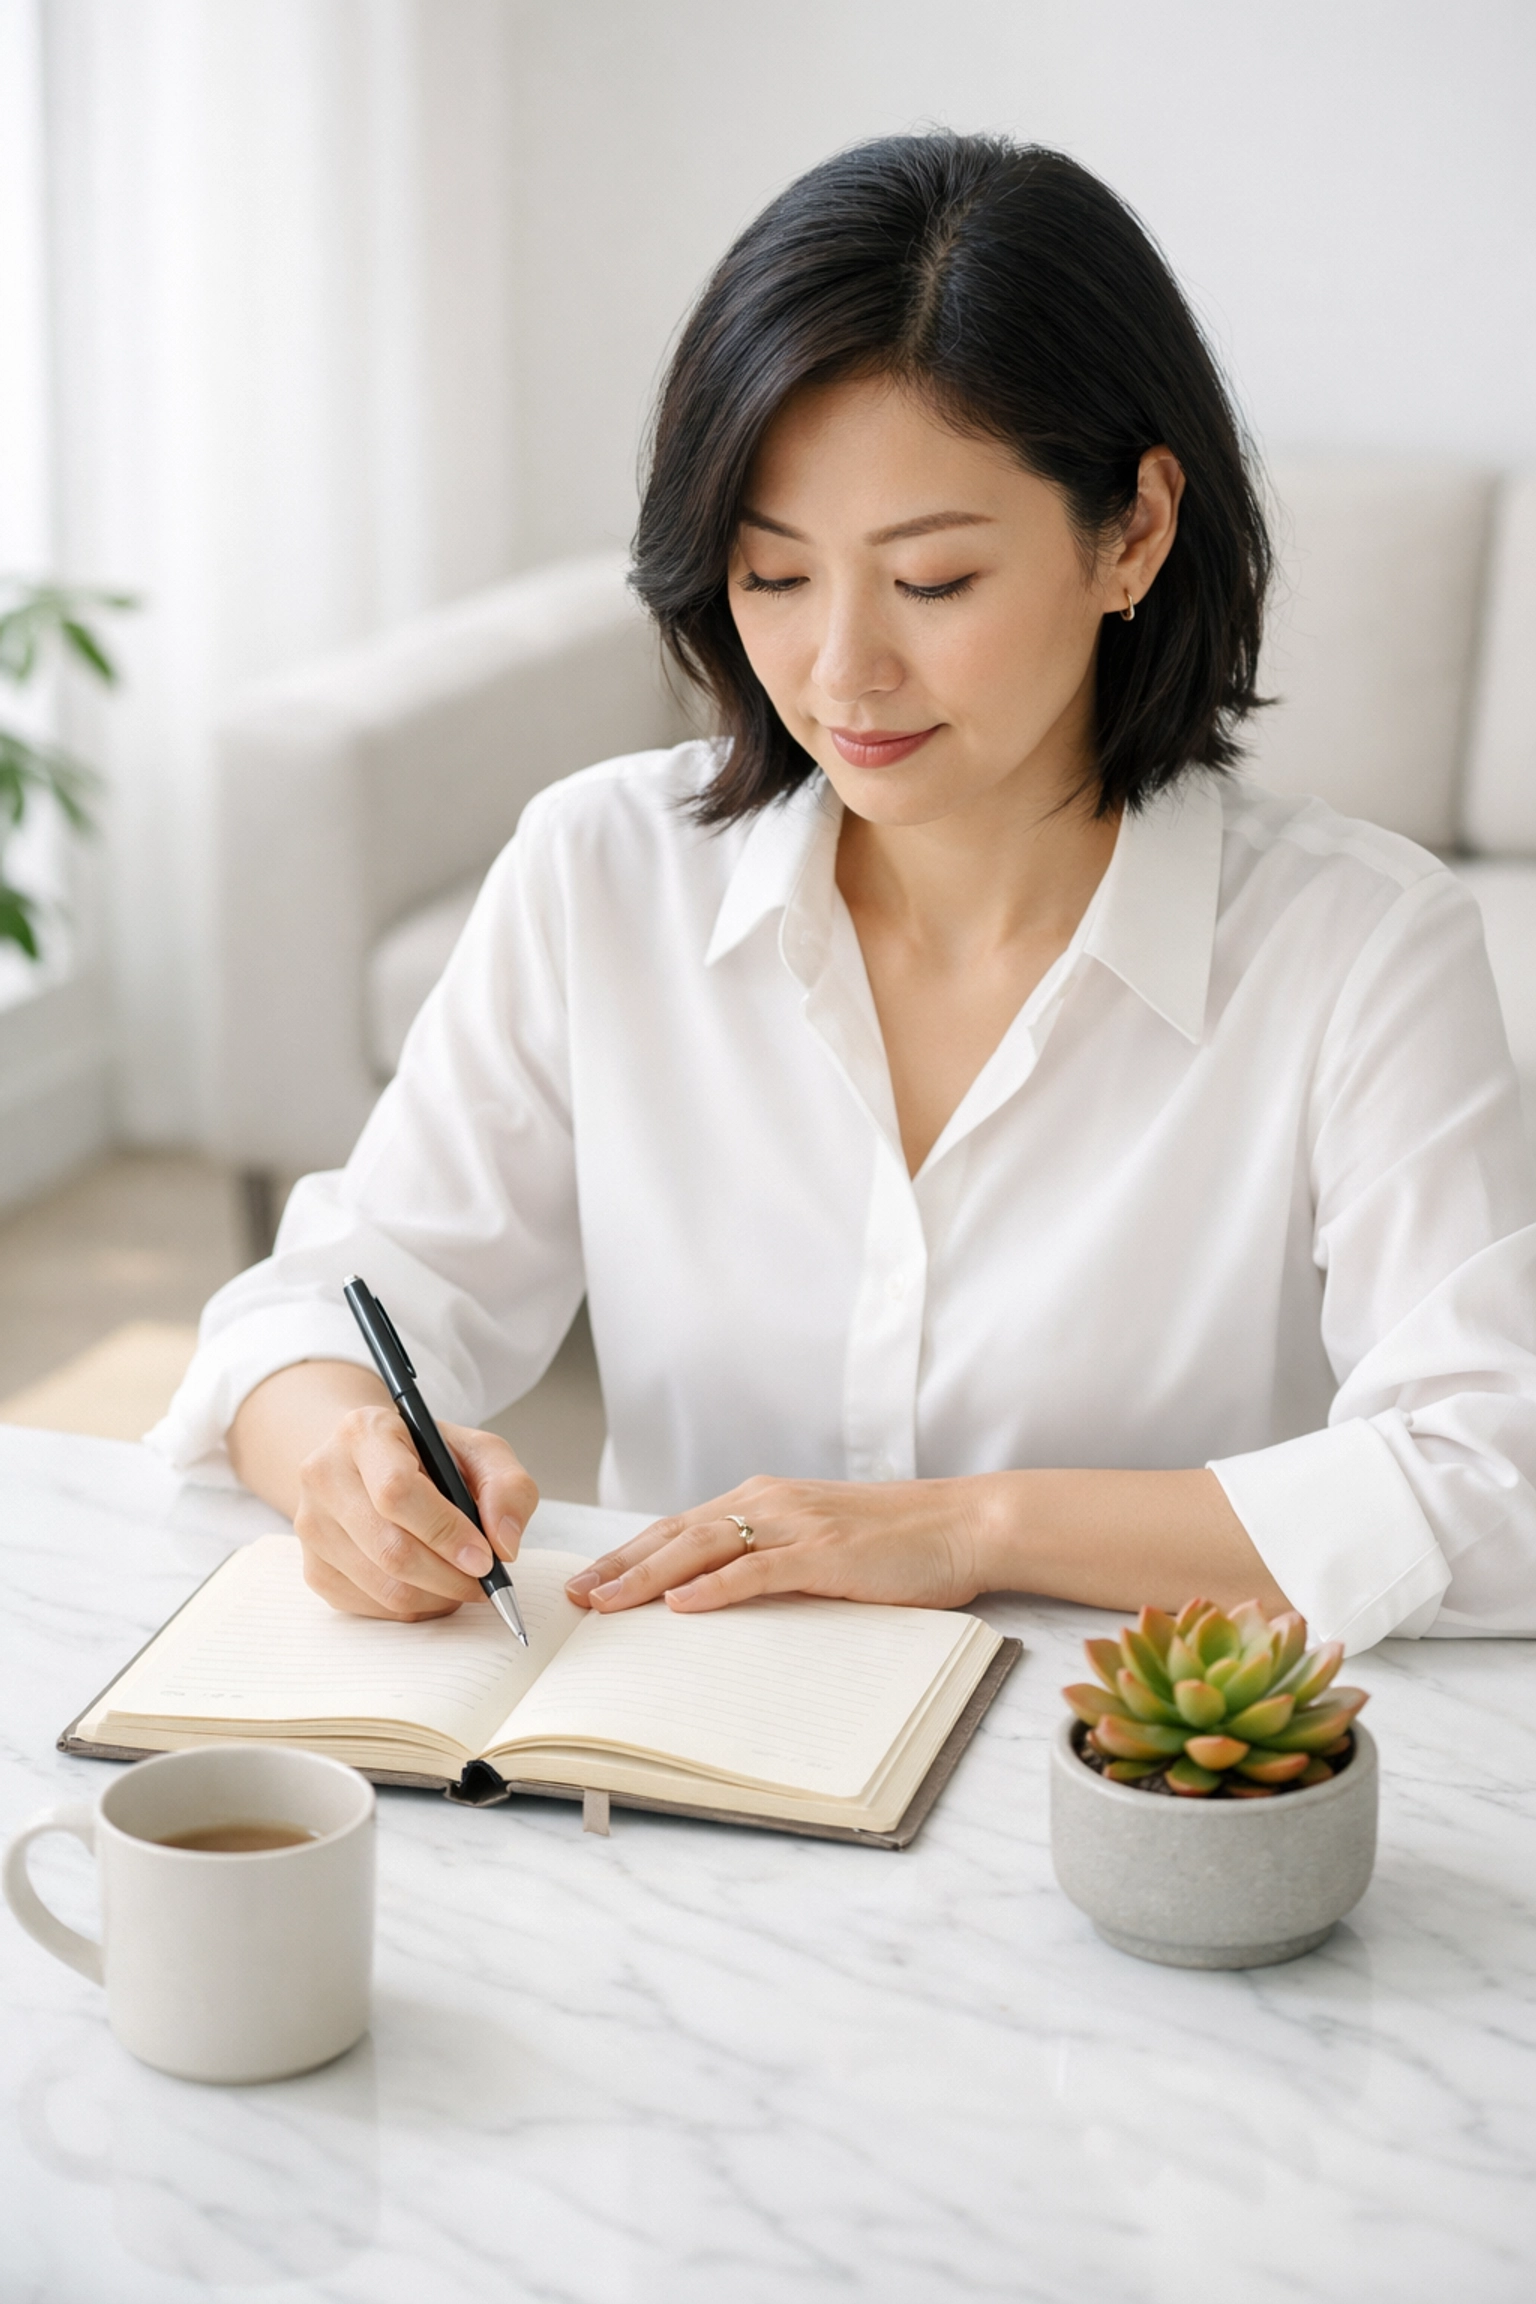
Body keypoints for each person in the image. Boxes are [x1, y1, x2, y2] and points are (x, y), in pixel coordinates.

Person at [153, 134, 1536, 1654]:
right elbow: (324, 1310)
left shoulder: (1362, 949)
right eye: (773, 577)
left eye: (933, 582)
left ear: (1133, 530)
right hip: (681, 1782)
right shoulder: (601, 874)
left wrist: (973, 1527)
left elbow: (1494, 1479)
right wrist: (343, 1460)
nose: (840, 670)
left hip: (1126, 1796)